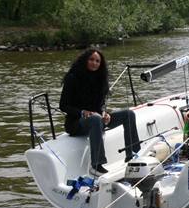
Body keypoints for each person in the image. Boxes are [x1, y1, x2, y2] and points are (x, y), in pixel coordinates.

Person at [59, 48, 140, 176]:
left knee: (129, 114)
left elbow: (98, 106)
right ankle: (96, 165)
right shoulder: (72, 77)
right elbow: (63, 106)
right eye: (91, 60)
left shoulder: (100, 79)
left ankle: (133, 155)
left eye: (97, 61)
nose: (94, 63)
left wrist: (104, 113)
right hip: (75, 123)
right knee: (95, 118)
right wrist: (82, 112)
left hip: (96, 119)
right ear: (85, 60)